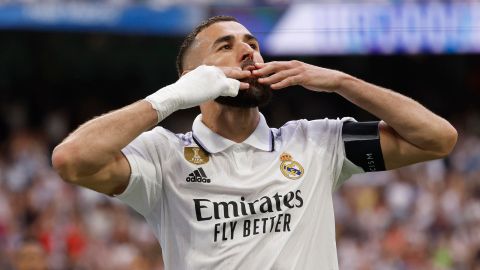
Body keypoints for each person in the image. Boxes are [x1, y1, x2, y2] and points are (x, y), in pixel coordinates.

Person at [51, 15, 458, 269]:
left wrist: (340, 82)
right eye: (225, 47)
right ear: (193, 76)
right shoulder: (163, 155)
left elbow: (438, 139)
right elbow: (71, 159)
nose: (247, 51)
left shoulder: (316, 143)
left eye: (252, 44)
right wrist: (170, 98)